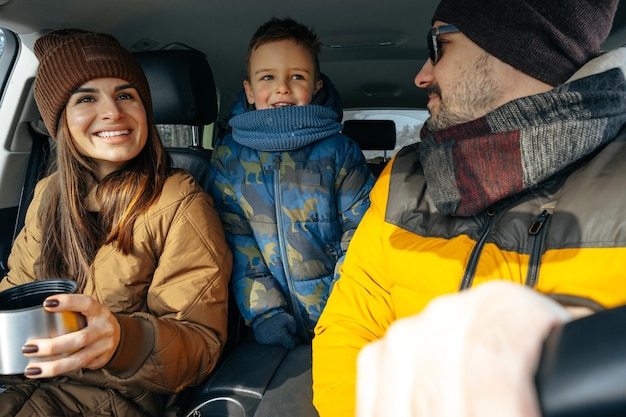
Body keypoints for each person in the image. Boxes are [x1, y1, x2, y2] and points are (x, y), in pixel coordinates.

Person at [311, 0, 626, 415]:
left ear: (513, 47)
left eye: (439, 45)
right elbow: (349, 325)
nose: (422, 75)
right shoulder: (401, 178)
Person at [0, 29, 232, 417]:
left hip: (115, 399)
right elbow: (17, 293)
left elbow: (200, 345)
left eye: (126, 95)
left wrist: (124, 341)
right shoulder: (47, 194)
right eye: (86, 98)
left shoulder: (180, 201)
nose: (112, 111)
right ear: (61, 120)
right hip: (27, 377)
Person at [209, 17, 374, 349]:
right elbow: (237, 243)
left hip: (342, 319)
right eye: (267, 77)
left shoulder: (339, 151)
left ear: (316, 86)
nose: (282, 87)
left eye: (296, 76)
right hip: (270, 326)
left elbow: (360, 235)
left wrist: (343, 311)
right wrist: (265, 313)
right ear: (249, 90)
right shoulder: (229, 157)